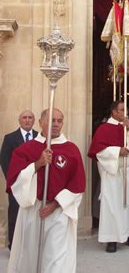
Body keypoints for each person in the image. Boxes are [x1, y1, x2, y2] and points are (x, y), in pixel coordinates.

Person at [6, 108, 86, 273]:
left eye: (59, 121)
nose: (55, 124)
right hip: (33, 210)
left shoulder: (71, 150)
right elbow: (14, 179)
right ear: (40, 123)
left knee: (56, 261)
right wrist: (37, 164)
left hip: (58, 213)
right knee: (30, 258)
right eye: (51, 121)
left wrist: (55, 204)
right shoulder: (26, 149)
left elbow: (77, 184)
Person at [88, 100, 129, 253]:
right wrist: (116, 151)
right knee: (112, 205)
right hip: (113, 171)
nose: (125, 112)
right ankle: (111, 238)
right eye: (122, 109)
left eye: (126, 109)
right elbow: (98, 150)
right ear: (114, 112)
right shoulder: (104, 128)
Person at [0, 110, 37, 250]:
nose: (27, 120)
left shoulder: (39, 137)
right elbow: (4, 161)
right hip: (16, 185)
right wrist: (15, 181)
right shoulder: (10, 138)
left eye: (30, 118)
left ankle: (30, 247)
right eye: (24, 118)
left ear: (34, 121)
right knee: (15, 214)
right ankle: (13, 246)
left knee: (32, 215)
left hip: (34, 184)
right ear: (19, 120)